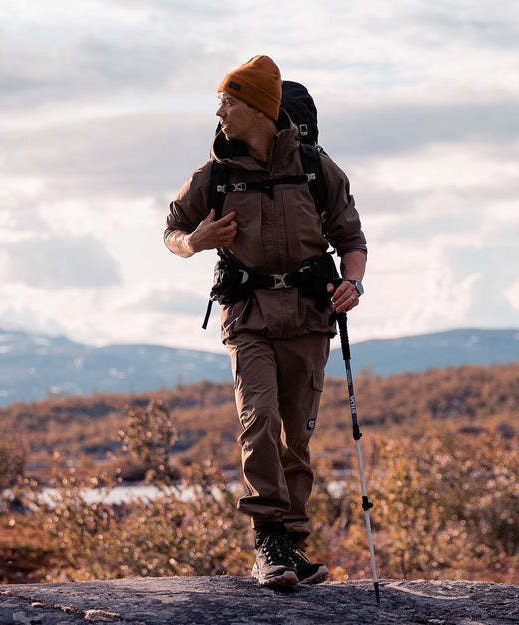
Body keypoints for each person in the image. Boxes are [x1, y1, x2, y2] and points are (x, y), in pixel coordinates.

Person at [163, 55, 367, 588]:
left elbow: (351, 239)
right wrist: (194, 242)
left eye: (227, 103)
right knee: (259, 418)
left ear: (259, 108)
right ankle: (268, 542)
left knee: (296, 435)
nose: (219, 113)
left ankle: (291, 543)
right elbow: (172, 232)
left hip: (308, 315)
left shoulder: (316, 169)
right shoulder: (213, 175)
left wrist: (353, 282)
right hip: (247, 315)